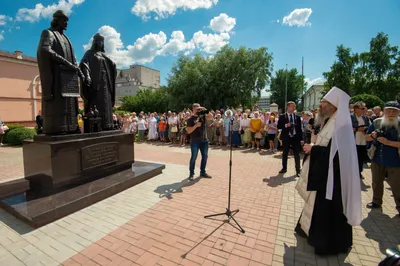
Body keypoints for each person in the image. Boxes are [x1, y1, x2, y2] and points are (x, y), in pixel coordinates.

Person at [295, 87, 362, 255]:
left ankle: (328, 244)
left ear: (333, 105)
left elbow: (337, 155)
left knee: (328, 209)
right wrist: (314, 147)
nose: (320, 105)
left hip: (334, 179)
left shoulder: (341, 125)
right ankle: (308, 231)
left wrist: (313, 149)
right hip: (325, 174)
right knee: (317, 205)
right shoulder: (330, 120)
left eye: (323, 102)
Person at [37, 10, 83, 135]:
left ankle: (72, 127)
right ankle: (59, 128)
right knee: (59, 104)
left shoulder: (66, 38)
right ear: (57, 20)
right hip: (57, 76)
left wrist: (78, 70)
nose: (67, 23)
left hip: (69, 78)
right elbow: (45, 49)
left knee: (71, 104)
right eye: (64, 20)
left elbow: (73, 58)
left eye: (67, 20)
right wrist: (66, 62)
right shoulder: (48, 33)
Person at [365, 101, 400, 216]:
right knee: (376, 182)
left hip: (395, 160)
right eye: (388, 110)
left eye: (393, 111)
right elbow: (366, 137)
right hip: (377, 158)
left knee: (396, 184)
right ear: (384, 111)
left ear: (398, 112)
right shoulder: (376, 122)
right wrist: (372, 136)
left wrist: (388, 142)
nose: (390, 113)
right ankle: (376, 201)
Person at [80, 33, 117, 130]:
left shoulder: (104, 55)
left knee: (107, 102)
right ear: (95, 42)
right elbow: (84, 64)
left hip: (106, 82)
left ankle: (108, 124)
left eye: (102, 41)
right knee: (98, 103)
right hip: (96, 83)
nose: (100, 43)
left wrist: (113, 65)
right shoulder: (89, 53)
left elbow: (112, 66)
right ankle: (98, 126)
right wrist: (87, 75)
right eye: (99, 41)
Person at [186, 103, 212, 181]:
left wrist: (204, 108)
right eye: (196, 109)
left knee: (205, 157)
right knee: (194, 157)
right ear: (193, 109)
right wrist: (196, 125)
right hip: (195, 141)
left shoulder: (203, 117)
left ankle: (202, 172)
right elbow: (189, 131)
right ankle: (191, 174)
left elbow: (211, 116)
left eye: (199, 108)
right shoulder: (190, 119)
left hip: (204, 140)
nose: (198, 110)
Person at [278, 101, 303, 176]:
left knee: (297, 154)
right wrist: (286, 125)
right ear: (288, 107)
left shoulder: (297, 117)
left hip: (295, 138)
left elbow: (299, 129)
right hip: (286, 137)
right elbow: (278, 126)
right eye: (292, 106)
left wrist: (301, 139)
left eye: (294, 106)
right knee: (285, 153)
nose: (293, 108)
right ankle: (284, 168)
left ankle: (298, 171)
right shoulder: (282, 116)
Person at [351, 102, 370, 179]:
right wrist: (357, 129)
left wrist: (365, 128)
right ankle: (353, 173)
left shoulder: (365, 117)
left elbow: (369, 126)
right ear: (356, 109)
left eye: (364, 108)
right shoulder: (350, 117)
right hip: (353, 141)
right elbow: (346, 129)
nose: (364, 110)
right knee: (353, 158)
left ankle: (359, 172)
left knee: (361, 158)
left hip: (363, 141)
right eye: (362, 108)